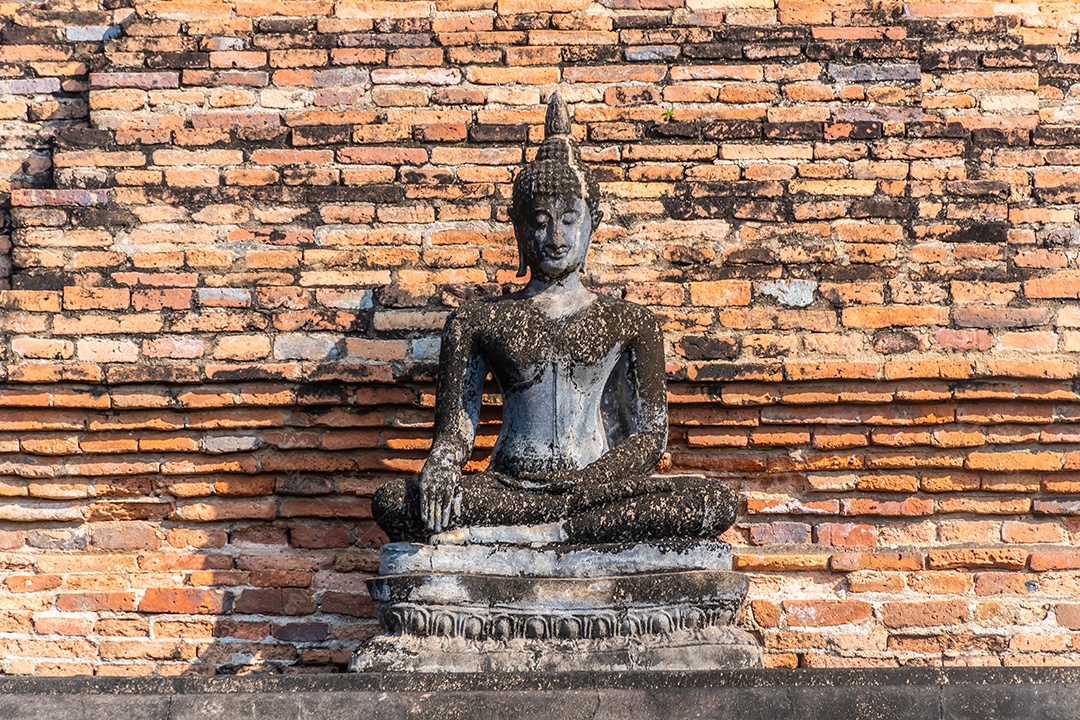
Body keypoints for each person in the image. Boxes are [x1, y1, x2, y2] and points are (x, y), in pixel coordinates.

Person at [373, 93, 736, 545]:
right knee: (393, 502)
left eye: (569, 219)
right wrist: (442, 466)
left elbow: (650, 436)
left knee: (711, 501)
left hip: (594, 488)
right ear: (518, 228)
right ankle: (555, 531)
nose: (555, 237)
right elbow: (455, 434)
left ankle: (539, 533)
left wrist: (588, 483)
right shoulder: (477, 322)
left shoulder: (631, 322)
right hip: (508, 487)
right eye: (540, 222)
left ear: (594, 223)